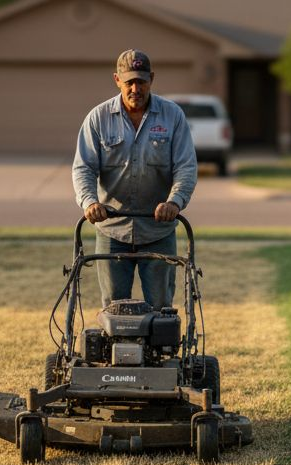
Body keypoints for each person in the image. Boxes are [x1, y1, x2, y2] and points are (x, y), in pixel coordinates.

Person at [72, 49, 197, 309]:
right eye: (129, 82)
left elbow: (186, 166)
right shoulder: (98, 118)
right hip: (112, 230)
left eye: (141, 81)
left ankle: (160, 350)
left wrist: (175, 202)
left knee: (162, 308)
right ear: (117, 80)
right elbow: (83, 168)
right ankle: (119, 351)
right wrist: (89, 202)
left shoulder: (172, 116)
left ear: (151, 78)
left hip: (158, 231)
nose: (135, 89)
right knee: (114, 309)